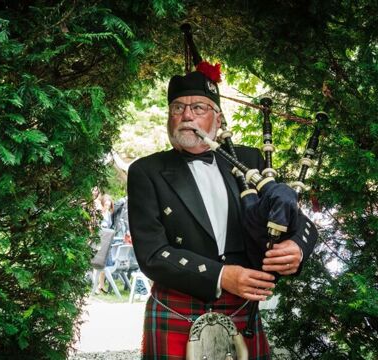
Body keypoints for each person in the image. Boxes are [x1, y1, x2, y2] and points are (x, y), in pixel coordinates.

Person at [127, 67, 318, 359]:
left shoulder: (247, 160)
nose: (187, 115)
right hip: (177, 308)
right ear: (169, 116)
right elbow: (152, 254)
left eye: (198, 107)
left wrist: (297, 247)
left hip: (241, 311)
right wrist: (221, 276)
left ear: (217, 118)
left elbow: (293, 216)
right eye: (178, 107)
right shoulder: (146, 171)